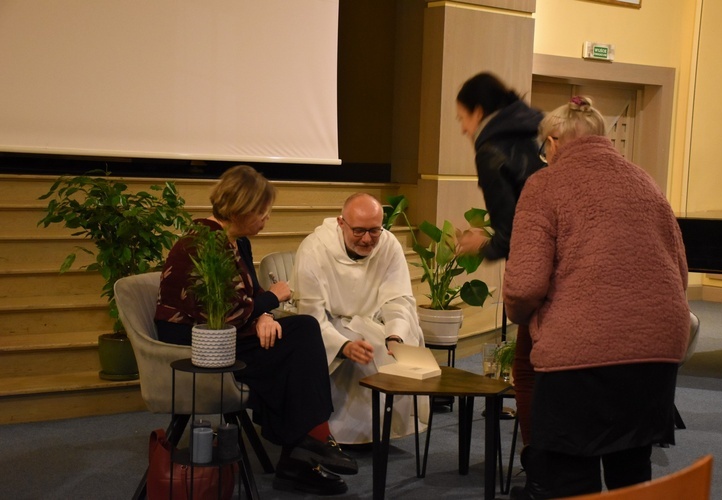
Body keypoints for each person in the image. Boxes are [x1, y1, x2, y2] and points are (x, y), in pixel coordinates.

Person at [502, 96, 691, 498]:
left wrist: (521, 314)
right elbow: (679, 272)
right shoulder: (645, 181)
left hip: (581, 353)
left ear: (553, 142)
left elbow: (525, 285)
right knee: (632, 471)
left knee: (571, 477)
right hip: (655, 351)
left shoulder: (545, 184)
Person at [154, 165, 357, 496]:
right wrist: (270, 300)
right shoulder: (202, 244)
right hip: (194, 344)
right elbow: (225, 312)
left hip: (229, 332)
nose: (267, 218)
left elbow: (246, 301)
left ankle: (305, 448)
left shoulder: (237, 243)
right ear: (240, 209)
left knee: (301, 332)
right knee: (297, 345)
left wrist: (264, 314)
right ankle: (307, 446)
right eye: (262, 211)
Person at [454, 72, 545, 446]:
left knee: (525, 370)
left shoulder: (491, 148)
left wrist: (483, 244)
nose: (462, 129)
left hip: (543, 272)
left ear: (478, 111)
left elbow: (515, 232)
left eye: (461, 118)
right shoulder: (538, 129)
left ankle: (539, 465)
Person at [292, 192, 425, 445]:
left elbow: (397, 298)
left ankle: (386, 429)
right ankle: (346, 435)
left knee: (408, 335)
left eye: (374, 231)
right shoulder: (314, 249)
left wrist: (395, 335)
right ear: (341, 223)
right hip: (330, 323)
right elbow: (311, 314)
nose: (367, 240)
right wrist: (342, 345)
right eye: (359, 231)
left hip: (373, 319)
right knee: (360, 343)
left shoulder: (388, 244)